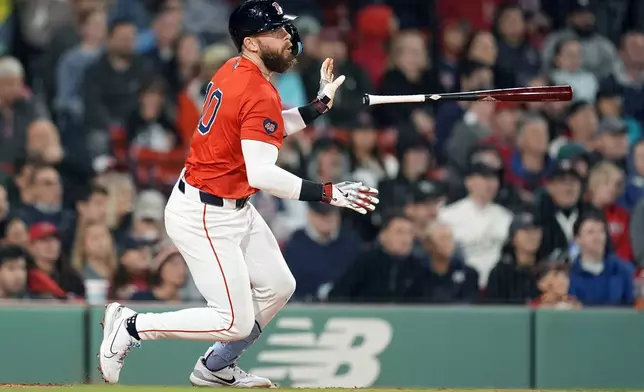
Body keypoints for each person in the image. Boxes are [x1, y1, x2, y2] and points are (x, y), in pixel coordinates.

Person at [97, 0, 379, 387]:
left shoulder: (236, 70)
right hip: (206, 213)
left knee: (280, 286)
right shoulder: (255, 87)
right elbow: (261, 172)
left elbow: (267, 127)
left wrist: (318, 106)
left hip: (229, 204)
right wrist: (327, 192)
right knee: (232, 320)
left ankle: (214, 367)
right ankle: (131, 326)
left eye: (284, 29)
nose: (286, 37)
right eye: (276, 31)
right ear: (250, 42)